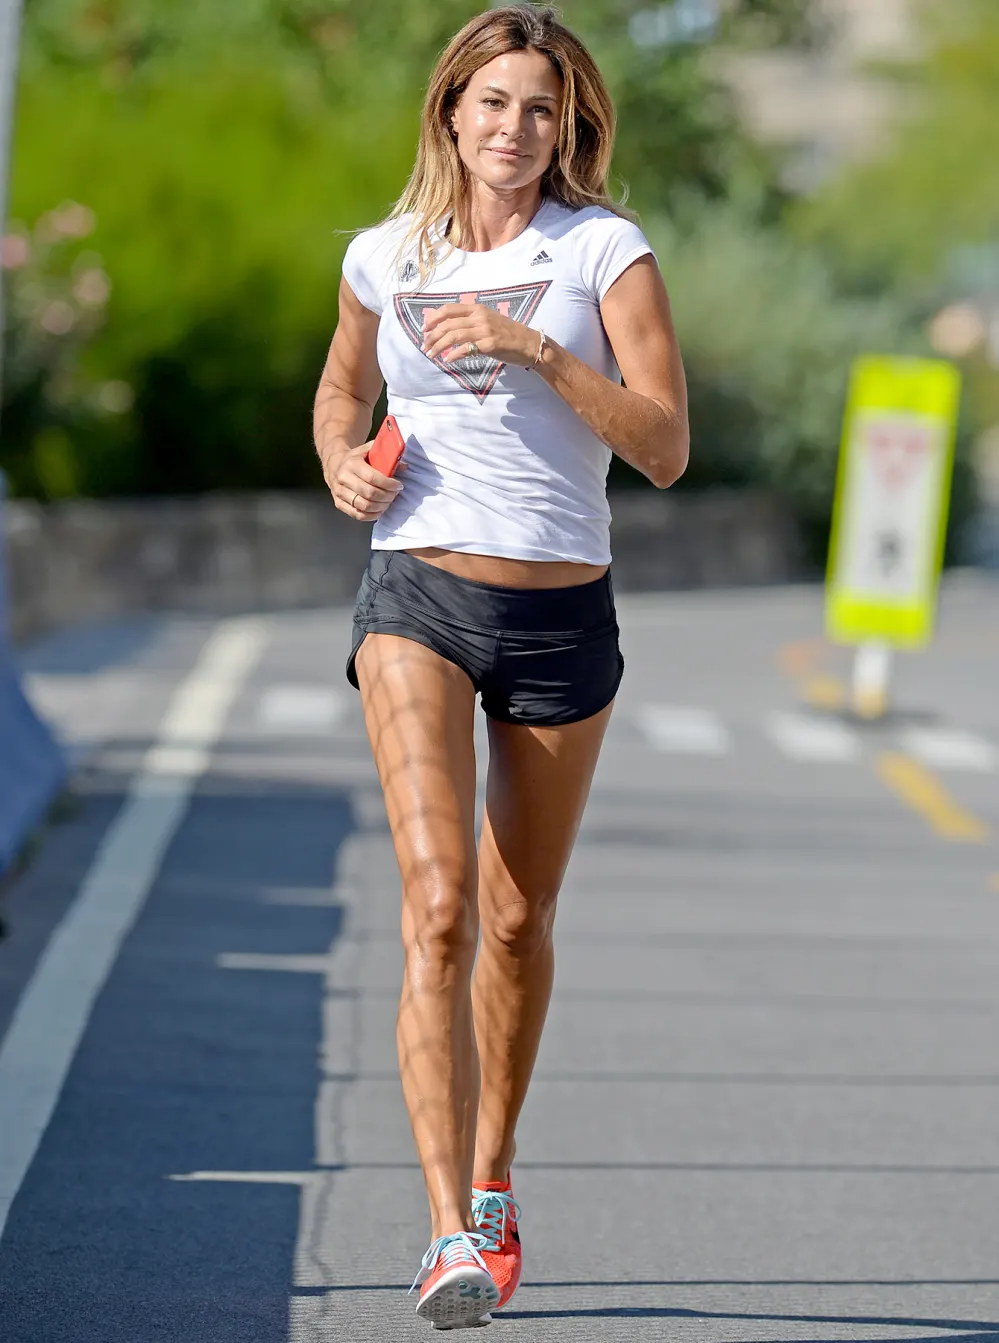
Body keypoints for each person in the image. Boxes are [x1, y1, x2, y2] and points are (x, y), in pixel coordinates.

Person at [313, 3, 688, 1329]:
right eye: (493, 104)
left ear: (567, 125)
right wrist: (343, 462)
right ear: (450, 112)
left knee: (517, 921)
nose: (514, 129)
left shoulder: (603, 252)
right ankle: (441, 1239)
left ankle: (490, 1179)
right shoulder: (385, 254)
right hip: (416, 593)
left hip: (558, 614)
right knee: (436, 907)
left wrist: (535, 347)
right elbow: (340, 390)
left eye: (540, 109)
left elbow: (663, 445)